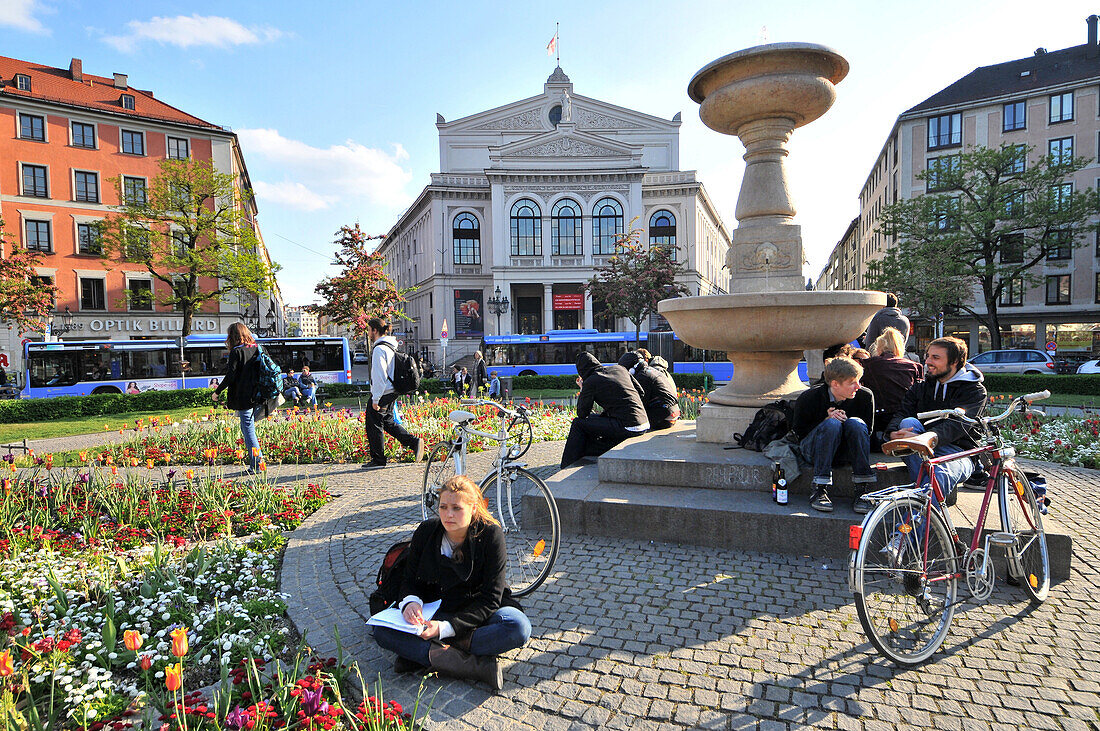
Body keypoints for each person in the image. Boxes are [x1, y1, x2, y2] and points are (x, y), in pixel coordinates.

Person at [371, 475, 530, 690]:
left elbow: (490, 600)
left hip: (476, 613)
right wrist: (411, 603)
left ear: (473, 508)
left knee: (517, 627)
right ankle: (474, 666)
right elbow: (408, 580)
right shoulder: (427, 531)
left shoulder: (491, 535)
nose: (448, 514)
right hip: (435, 609)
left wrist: (445, 629)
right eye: (443, 507)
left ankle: (423, 654)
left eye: (456, 508)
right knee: (381, 630)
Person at [886, 336, 988, 506]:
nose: (928, 362)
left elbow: (958, 425)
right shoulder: (922, 386)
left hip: (959, 453)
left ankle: (910, 527)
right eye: (928, 356)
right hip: (923, 446)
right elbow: (902, 412)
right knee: (906, 422)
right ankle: (924, 503)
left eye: (935, 357)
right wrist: (892, 432)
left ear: (954, 361)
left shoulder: (974, 391)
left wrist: (927, 437)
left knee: (940, 475)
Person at [792, 355, 876, 514]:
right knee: (831, 424)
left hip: (847, 452)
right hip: (814, 451)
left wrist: (847, 423)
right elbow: (799, 432)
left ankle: (862, 488)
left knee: (856, 424)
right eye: (852, 382)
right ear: (835, 384)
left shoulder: (865, 396)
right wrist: (825, 420)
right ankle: (819, 487)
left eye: (859, 380)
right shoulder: (810, 397)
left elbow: (867, 432)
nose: (858, 386)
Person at [560, 351, 650, 468]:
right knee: (595, 419)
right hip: (644, 422)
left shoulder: (591, 381)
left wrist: (583, 389)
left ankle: (567, 464)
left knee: (578, 423)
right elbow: (641, 392)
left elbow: (582, 413)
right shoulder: (620, 369)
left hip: (628, 426)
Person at [363, 317, 424, 470]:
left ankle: (378, 459)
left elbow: (379, 376)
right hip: (392, 391)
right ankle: (414, 443)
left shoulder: (379, 349)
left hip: (383, 392)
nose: (369, 334)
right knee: (388, 422)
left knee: (373, 424)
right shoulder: (390, 346)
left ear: (375, 330)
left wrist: (375, 399)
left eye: (369, 330)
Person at [212, 322, 265, 473]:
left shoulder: (236, 352)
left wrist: (217, 392)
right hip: (257, 394)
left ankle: (257, 465)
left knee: (248, 430)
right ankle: (257, 462)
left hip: (244, 397)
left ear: (232, 336)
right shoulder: (256, 348)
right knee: (247, 427)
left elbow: (231, 375)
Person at [860, 327, 923, 448]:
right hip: (904, 415)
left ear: (879, 347)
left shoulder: (868, 364)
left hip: (877, 417)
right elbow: (918, 395)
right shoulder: (915, 366)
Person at [618, 351, 680, 431]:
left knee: (629, 423)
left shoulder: (642, 377)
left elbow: (638, 402)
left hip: (664, 418)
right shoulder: (651, 371)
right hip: (671, 413)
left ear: (631, 369)